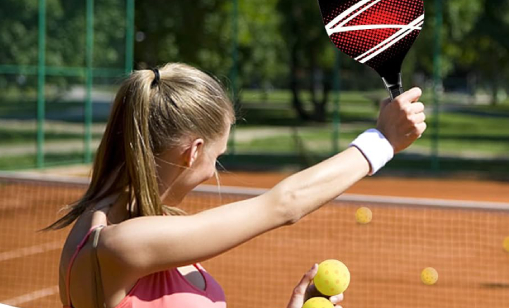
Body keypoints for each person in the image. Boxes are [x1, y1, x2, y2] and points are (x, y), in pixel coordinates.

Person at [47, 62, 426, 308]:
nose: (215, 170)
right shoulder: (127, 243)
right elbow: (284, 204)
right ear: (192, 152)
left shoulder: (108, 224)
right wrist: (383, 141)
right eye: (217, 155)